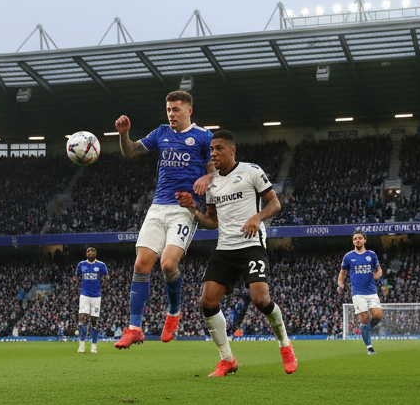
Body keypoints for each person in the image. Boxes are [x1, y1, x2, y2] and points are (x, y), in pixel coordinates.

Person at [176, 130, 296, 377]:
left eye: (218, 148)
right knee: (207, 302)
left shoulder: (252, 171)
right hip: (225, 247)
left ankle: (285, 345)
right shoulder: (213, 184)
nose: (213, 153)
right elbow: (212, 221)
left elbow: (275, 204)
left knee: (261, 300)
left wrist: (257, 216)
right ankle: (227, 359)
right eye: (211, 150)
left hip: (251, 244)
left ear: (232, 150)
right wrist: (191, 208)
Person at [113, 86, 214, 349]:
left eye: (176, 109)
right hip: (158, 207)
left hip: (185, 209)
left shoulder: (204, 137)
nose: (171, 114)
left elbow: (219, 169)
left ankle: (174, 310)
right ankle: (134, 328)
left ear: (189, 111)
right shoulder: (161, 132)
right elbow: (130, 152)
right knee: (141, 265)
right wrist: (123, 135)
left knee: (168, 265)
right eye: (168, 109)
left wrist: (207, 176)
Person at [338, 230, 382, 355]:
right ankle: (369, 347)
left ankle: (366, 329)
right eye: (355, 238)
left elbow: (379, 269)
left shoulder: (371, 254)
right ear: (353, 241)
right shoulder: (348, 256)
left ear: (364, 240)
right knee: (364, 318)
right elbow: (342, 273)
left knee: (378, 316)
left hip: (372, 292)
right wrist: (340, 283)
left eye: (359, 238)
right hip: (358, 293)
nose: (357, 240)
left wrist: (378, 274)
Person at [73, 246, 108, 353]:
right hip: (84, 295)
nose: (90, 253)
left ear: (95, 253)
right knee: (82, 318)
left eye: (92, 251)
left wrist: (104, 285)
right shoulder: (81, 265)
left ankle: (94, 345)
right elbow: (77, 276)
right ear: (86, 254)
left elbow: (106, 277)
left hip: (96, 296)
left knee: (94, 321)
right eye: (88, 251)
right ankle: (82, 344)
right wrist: (74, 280)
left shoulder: (101, 265)